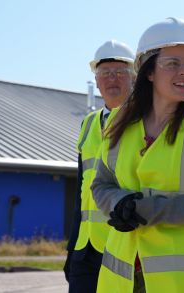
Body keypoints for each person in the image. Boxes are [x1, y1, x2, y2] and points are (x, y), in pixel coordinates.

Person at [91, 17, 184, 293]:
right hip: (120, 275)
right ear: (148, 71)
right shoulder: (120, 122)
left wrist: (147, 209)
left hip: (177, 281)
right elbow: (101, 183)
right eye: (172, 64)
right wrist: (118, 202)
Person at [64, 40, 136, 293]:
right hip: (86, 248)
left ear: (134, 78)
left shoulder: (147, 121)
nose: (111, 78)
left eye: (120, 72)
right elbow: (81, 193)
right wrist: (72, 246)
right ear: (96, 81)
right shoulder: (88, 124)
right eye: (104, 73)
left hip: (124, 245)